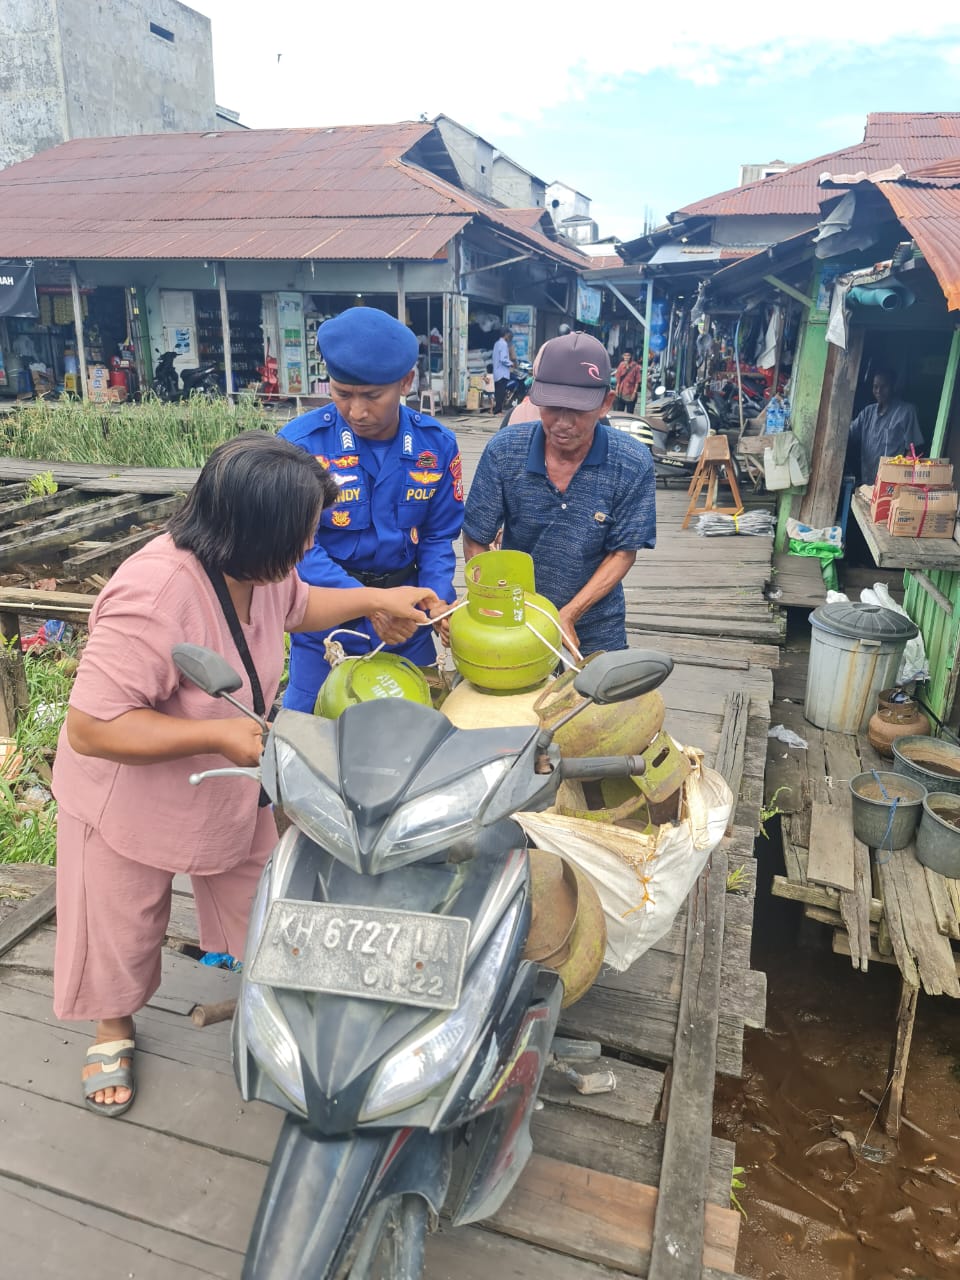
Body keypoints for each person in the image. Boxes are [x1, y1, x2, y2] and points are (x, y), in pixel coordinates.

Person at [51, 433, 438, 1116]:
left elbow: (300, 605)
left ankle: (285, 1000)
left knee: (268, 890)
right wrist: (213, 733)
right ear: (256, 532)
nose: (305, 550)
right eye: (301, 538)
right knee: (120, 915)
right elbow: (92, 727)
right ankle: (112, 1023)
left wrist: (377, 600)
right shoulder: (153, 594)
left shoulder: (257, 565)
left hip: (225, 775)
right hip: (129, 788)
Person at [279, 307, 463, 712]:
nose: (357, 411)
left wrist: (435, 600)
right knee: (308, 732)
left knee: (418, 727)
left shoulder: (437, 446)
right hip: (325, 622)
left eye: (372, 396)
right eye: (342, 394)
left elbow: (437, 536)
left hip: (407, 624)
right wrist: (369, 602)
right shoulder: (300, 445)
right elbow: (300, 547)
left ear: (406, 383)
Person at [463, 332, 657, 656]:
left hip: (597, 625)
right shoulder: (504, 451)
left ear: (605, 403)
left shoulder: (632, 462)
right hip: (517, 621)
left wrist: (568, 614)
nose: (563, 423)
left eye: (578, 410)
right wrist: (496, 600)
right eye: (552, 407)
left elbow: (623, 552)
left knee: (601, 703)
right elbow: (476, 538)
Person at [848, 368, 924, 485]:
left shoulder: (906, 412)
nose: (879, 391)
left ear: (893, 386)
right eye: (875, 386)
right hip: (867, 481)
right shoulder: (867, 413)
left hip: (891, 484)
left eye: (884, 386)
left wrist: (902, 482)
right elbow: (849, 433)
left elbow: (912, 450)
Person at [492, 327, 515, 414]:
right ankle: (498, 411)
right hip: (502, 372)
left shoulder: (497, 343)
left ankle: (497, 410)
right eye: (509, 334)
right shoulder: (503, 344)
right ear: (506, 334)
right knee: (501, 392)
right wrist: (511, 364)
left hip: (497, 372)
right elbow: (503, 359)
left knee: (498, 392)